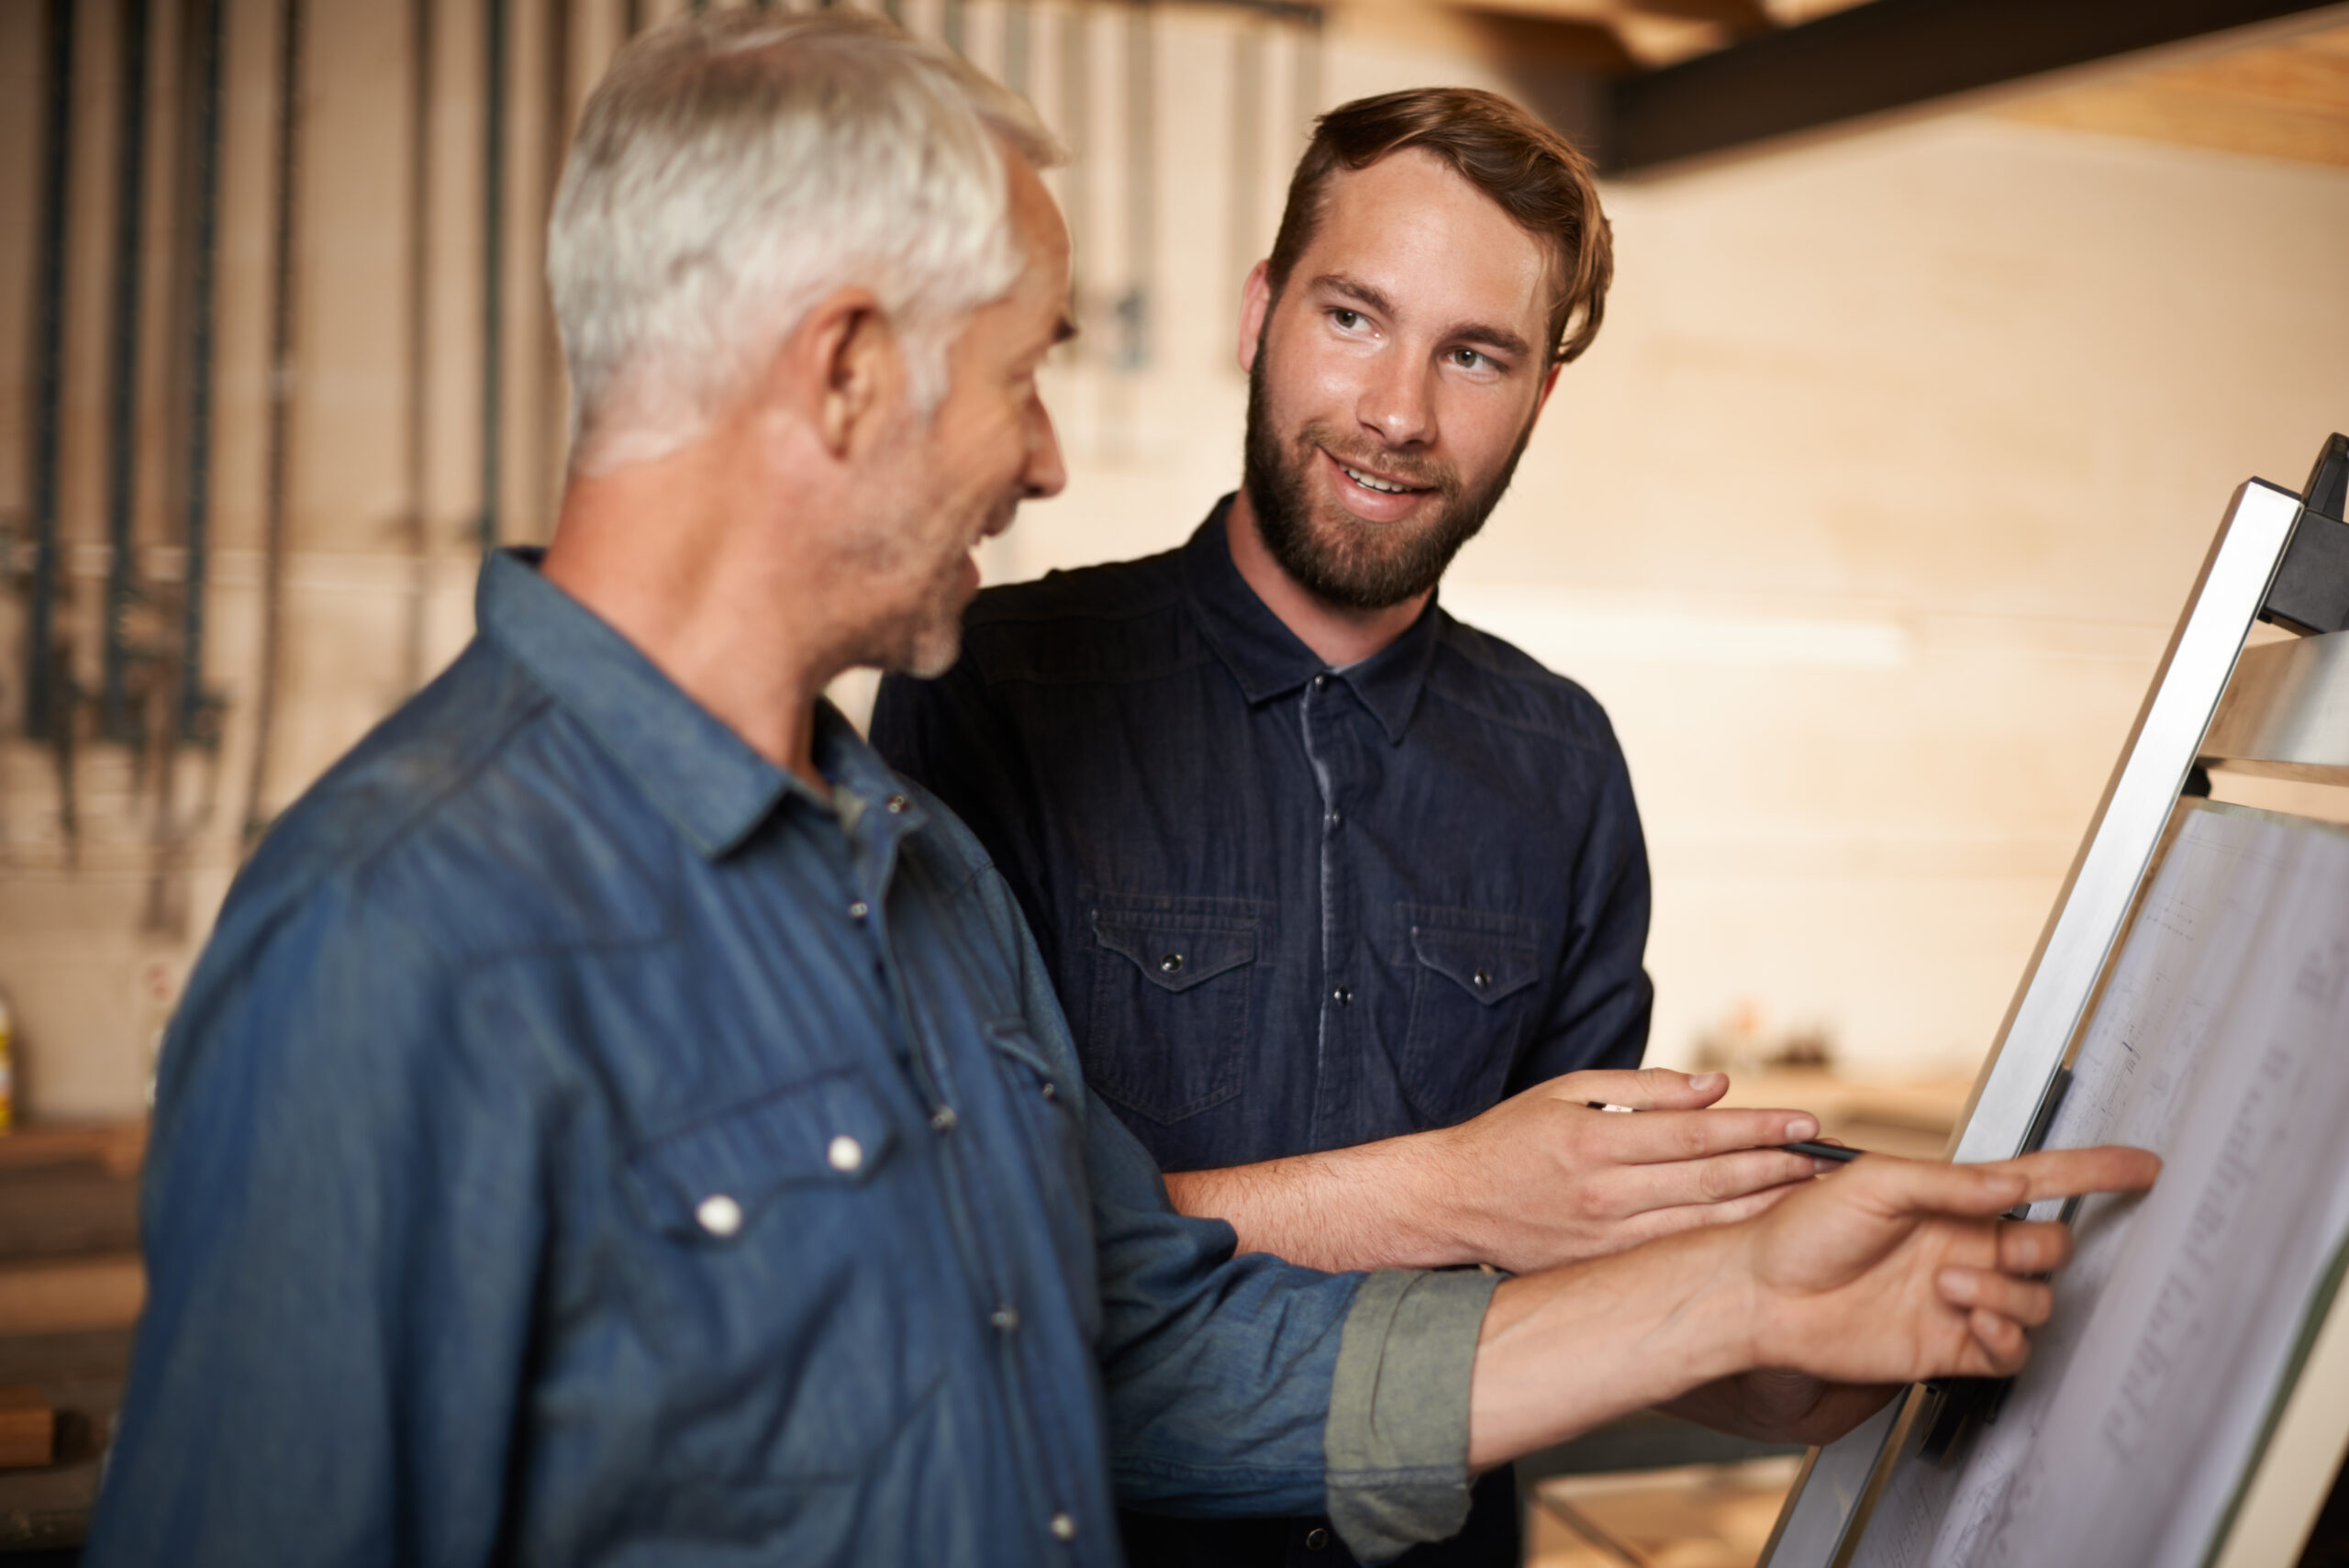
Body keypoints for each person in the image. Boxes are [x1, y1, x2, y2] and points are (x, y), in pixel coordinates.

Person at [85, 16, 2156, 1567]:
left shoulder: (905, 885)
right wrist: (1455, 1197)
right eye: (1023, 370)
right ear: (840, 374)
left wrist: (1737, 1292)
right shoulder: (402, 934)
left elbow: (1147, 1352)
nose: (1051, 459)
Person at [872, 86, 1821, 1565]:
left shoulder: (1563, 762)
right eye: (1354, 317)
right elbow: (964, 1242)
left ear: (1539, 398)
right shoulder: (994, 685)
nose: (1399, 411)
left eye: (1476, 354)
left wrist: (1793, 1311)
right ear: (1259, 313)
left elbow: (1579, 1265)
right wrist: (1438, 1193)